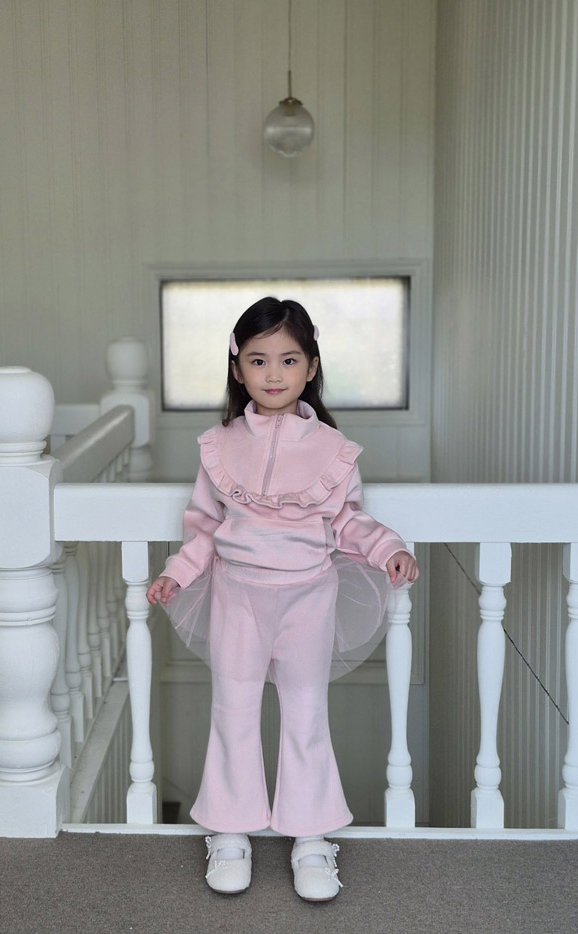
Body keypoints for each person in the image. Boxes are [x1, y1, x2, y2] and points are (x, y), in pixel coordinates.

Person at [147, 297, 418, 901]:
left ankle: (311, 837)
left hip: (308, 598)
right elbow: (203, 528)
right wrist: (177, 573)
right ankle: (230, 831)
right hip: (236, 596)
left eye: (289, 360)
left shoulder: (332, 449)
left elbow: (348, 521)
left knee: (305, 713)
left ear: (312, 367)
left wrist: (388, 548)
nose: (274, 374)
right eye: (258, 360)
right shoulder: (219, 446)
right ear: (237, 368)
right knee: (233, 710)